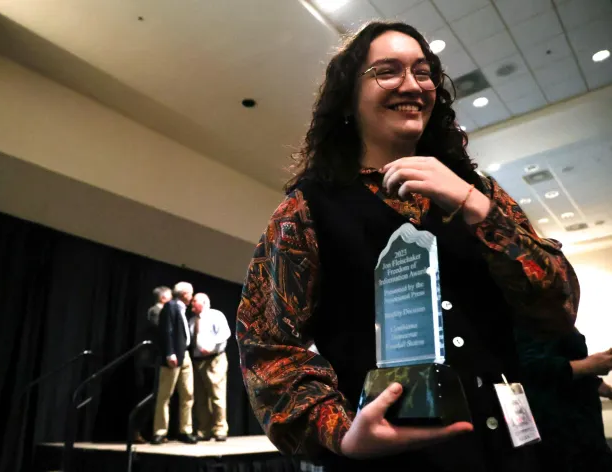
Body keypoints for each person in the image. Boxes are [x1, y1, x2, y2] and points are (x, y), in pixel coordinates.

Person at [236, 21, 579, 471]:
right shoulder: (305, 210)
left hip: (509, 453)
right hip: (389, 462)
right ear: (348, 98)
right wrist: (341, 431)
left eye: (423, 72)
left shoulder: (481, 194)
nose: (412, 85)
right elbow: (266, 345)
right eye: (387, 71)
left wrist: (475, 205)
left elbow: (557, 305)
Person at [516, 329, 612, 470]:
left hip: (588, 435)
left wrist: (609, 390)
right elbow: (532, 369)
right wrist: (589, 365)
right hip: (562, 435)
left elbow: (581, 378)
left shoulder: (559, 322)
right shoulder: (531, 321)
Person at [152, 282, 198, 444]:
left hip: (185, 355)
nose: (192, 297)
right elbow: (167, 331)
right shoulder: (170, 306)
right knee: (165, 395)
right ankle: (159, 431)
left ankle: (186, 430)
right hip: (174, 356)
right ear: (184, 293)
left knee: (188, 394)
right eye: (190, 293)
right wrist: (170, 352)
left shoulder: (181, 309)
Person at [189, 293, 231, 441]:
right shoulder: (192, 321)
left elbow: (225, 333)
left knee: (217, 395)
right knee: (200, 397)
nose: (191, 303)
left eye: (194, 301)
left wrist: (211, 346)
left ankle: (220, 429)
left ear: (204, 302)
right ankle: (204, 430)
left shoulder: (216, 315)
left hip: (215, 359)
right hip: (197, 361)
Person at [133, 286, 172, 443]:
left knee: (156, 398)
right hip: (150, 362)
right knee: (148, 396)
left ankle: (151, 432)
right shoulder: (156, 311)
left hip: (156, 361)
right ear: (163, 298)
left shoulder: (163, 312)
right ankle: (136, 431)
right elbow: (161, 330)